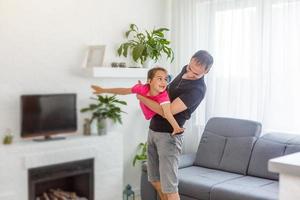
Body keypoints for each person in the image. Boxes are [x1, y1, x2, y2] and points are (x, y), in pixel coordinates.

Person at [137, 50, 213, 200]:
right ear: (190, 60)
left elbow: (168, 111)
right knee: (155, 179)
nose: (190, 73)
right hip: (154, 130)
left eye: (196, 73)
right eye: (190, 68)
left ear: (207, 71)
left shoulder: (197, 90)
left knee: (170, 188)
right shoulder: (185, 69)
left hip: (169, 137)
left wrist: (142, 98)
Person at [91, 67, 184, 135]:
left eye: (165, 79)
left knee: (163, 108)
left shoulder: (163, 96)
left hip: (155, 110)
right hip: (146, 93)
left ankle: (169, 78)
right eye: (160, 79)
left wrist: (176, 127)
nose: (164, 82)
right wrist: (103, 90)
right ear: (149, 81)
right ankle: (165, 79)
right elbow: (123, 91)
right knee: (140, 90)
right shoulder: (142, 88)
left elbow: (167, 113)